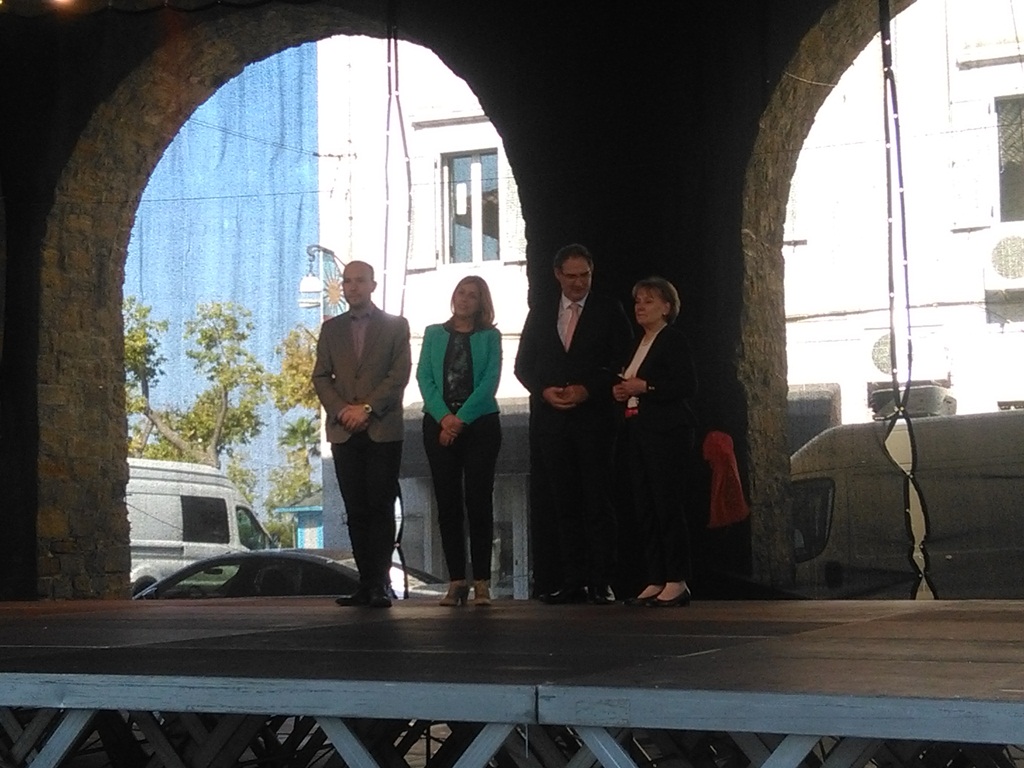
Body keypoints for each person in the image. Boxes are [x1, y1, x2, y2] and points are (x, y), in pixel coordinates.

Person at [514, 243, 633, 604]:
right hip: (553, 422)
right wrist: (544, 391)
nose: (579, 282)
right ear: (557, 275)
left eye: (585, 275)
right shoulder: (541, 311)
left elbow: (622, 359)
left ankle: (602, 581)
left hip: (595, 421)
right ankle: (572, 580)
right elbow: (523, 365)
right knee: (562, 503)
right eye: (572, 276)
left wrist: (587, 390)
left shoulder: (609, 309)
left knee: (598, 501)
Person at [312, 260, 411, 609]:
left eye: (359, 281)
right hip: (344, 431)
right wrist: (342, 410)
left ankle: (380, 584)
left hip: (382, 429)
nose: (352, 287)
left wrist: (366, 409)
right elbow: (320, 376)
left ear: (373, 285)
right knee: (355, 510)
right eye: (347, 281)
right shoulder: (331, 329)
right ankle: (365, 583)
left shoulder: (395, 326)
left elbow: (398, 375)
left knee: (380, 507)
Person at [416, 276, 503, 607]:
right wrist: (444, 418)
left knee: (478, 501)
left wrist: (459, 421)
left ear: (482, 303)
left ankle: (482, 581)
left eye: (472, 295)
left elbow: (489, 382)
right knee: (447, 503)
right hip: (438, 423)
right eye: (461, 293)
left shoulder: (490, 336)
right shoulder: (433, 333)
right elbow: (424, 377)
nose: (465, 299)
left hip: (479, 425)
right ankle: (456, 581)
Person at [612, 276, 698, 607]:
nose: (640, 307)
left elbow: (686, 384)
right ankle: (656, 575)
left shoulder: (672, 340)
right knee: (645, 504)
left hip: (667, 432)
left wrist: (646, 387)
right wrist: (622, 390)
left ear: (666, 307)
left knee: (666, 503)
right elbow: (631, 382)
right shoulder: (638, 343)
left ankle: (677, 578)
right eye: (637, 301)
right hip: (638, 430)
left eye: (649, 301)